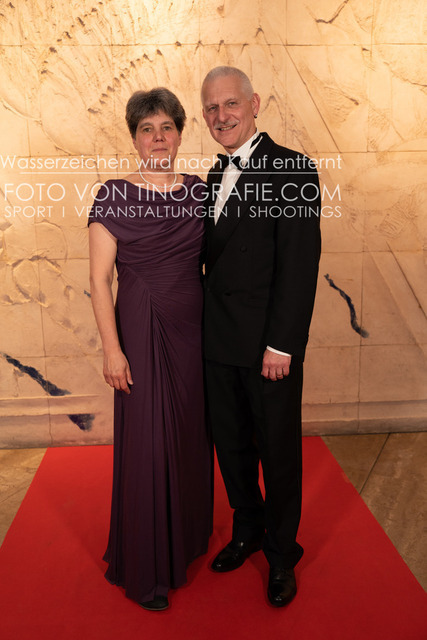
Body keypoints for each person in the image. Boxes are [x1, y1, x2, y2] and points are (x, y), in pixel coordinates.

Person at [201, 66, 321, 607]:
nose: (221, 115)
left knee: (277, 452)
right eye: (211, 108)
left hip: (267, 347)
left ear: (254, 104)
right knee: (232, 447)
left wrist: (283, 345)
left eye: (230, 104)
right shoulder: (213, 176)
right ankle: (247, 530)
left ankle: (281, 554)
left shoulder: (293, 169)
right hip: (218, 342)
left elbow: (299, 266)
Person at [88, 88, 212, 611]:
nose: (158, 138)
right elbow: (100, 280)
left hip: (194, 333)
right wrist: (112, 350)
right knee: (148, 442)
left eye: (167, 127)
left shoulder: (201, 192)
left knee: (187, 435)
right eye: (147, 129)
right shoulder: (113, 195)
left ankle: (185, 540)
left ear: (180, 134)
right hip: (140, 330)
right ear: (134, 138)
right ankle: (147, 569)